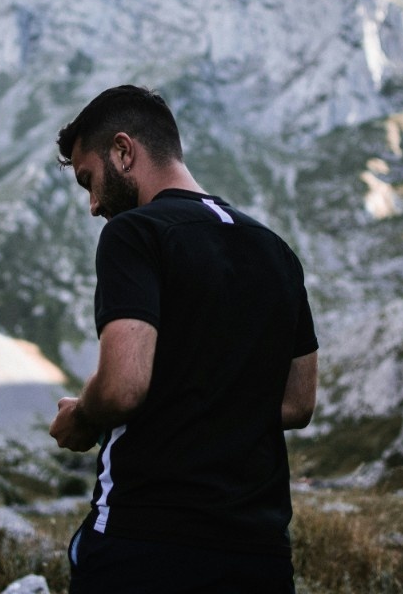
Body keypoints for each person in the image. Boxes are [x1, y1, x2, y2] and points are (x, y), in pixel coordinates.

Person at [49, 84, 319, 593]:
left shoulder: (135, 233)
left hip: (145, 542)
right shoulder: (277, 251)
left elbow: (124, 386)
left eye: (90, 180)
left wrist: (83, 415)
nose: (93, 204)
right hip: (257, 551)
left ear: (124, 151)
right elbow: (298, 402)